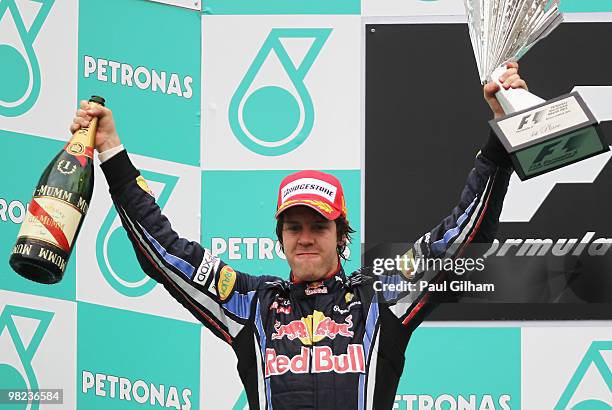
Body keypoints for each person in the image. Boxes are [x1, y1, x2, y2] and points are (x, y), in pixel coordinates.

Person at [71, 63, 526, 409]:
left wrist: (502, 135)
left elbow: (460, 237)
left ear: (340, 234)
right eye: (294, 226)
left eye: (318, 225)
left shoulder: (380, 297)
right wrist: (111, 150)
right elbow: (163, 252)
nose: (306, 237)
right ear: (280, 236)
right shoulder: (251, 304)